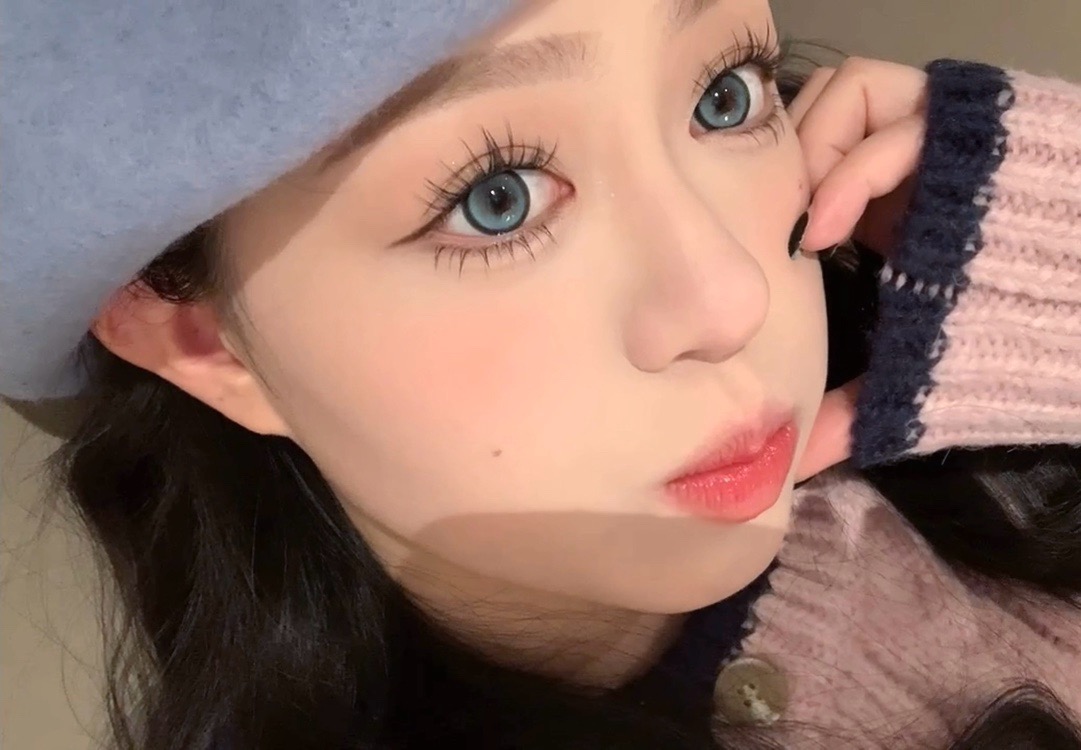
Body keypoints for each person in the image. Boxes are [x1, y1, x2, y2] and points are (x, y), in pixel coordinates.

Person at [3, 1, 1080, 748]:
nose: (731, 300)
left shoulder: (970, 425)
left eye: (723, 94)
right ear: (203, 341)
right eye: (496, 199)